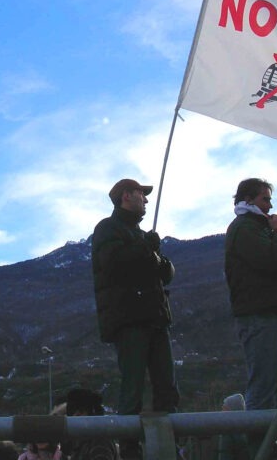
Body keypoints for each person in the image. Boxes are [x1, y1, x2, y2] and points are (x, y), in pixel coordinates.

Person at [91, 178, 180, 459]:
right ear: (126, 196)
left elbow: (164, 273)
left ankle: (170, 445)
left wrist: (157, 256)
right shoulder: (108, 228)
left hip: (154, 317)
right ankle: (130, 449)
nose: (146, 199)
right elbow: (114, 263)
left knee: (167, 385)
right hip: (129, 319)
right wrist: (147, 249)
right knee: (133, 387)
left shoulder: (140, 235)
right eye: (142, 193)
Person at [224, 178, 277, 412]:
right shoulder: (244, 228)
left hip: (276, 310)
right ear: (248, 199)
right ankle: (260, 445)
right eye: (265, 199)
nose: (270, 206)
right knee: (264, 385)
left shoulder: (257, 227)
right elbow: (272, 260)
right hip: (259, 315)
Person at [61, 388, 117, 460]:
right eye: (72, 411)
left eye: (81, 410)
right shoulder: (80, 443)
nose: (76, 415)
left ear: (91, 412)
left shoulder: (100, 440)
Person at [214, 394, 249, 460]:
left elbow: (224, 456)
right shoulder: (247, 430)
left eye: (225, 409)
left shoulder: (227, 432)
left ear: (232, 410)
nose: (221, 412)